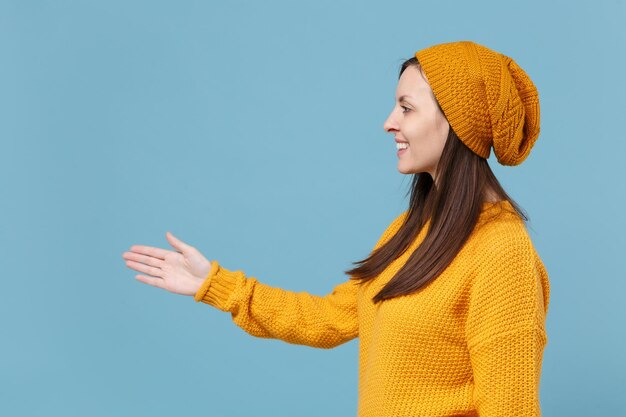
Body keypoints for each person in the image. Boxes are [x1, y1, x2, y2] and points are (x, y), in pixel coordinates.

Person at [122, 40, 550, 417]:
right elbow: (329, 318)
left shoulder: (501, 250)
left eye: (406, 107)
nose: (389, 122)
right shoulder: (412, 230)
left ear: (457, 121)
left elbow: (511, 410)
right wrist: (217, 285)